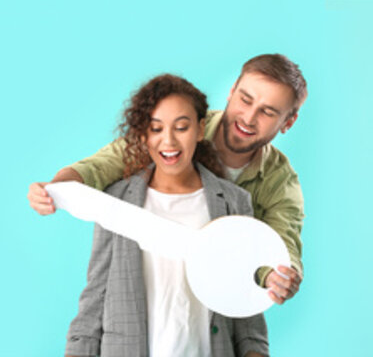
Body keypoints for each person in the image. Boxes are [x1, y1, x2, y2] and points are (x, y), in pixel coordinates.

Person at [28, 54, 309, 305]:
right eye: (245, 100)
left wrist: (281, 277)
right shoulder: (181, 125)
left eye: (268, 112)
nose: (248, 117)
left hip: (210, 307)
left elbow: (281, 246)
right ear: (232, 91)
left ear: (288, 122)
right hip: (146, 291)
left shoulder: (281, 183)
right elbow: (105, 163)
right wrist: (57, 187)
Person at [65, 74, 268, 357]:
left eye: (181, 127)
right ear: (144, 135)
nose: (168, 140)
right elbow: (95, 297)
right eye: (156, 128)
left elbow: (245, 308)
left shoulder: (234, 202)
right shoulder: (116, 200)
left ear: (199, 129)